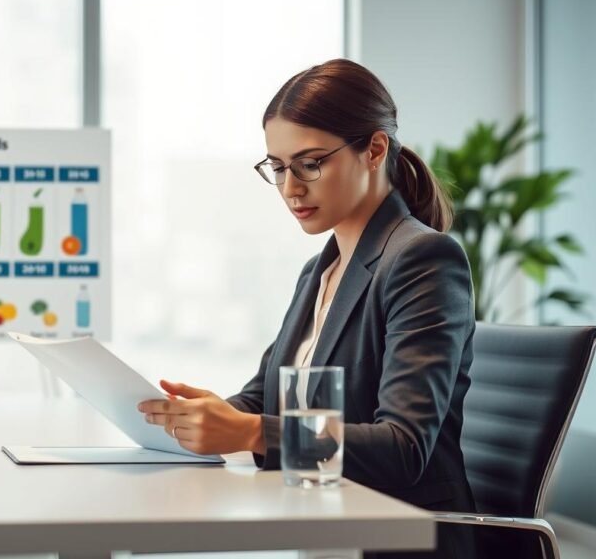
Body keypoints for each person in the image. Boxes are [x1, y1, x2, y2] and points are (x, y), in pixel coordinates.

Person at [137, 58, 476, 559]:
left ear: (374, 149)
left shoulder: (423, 259)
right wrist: (202, 417)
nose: (291, 188)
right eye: (277, 168)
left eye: (310, 163)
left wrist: (248, 431)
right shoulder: (322, 269)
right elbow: (268, 394)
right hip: (324, 526)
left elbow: (403, 448)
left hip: (397, 539)